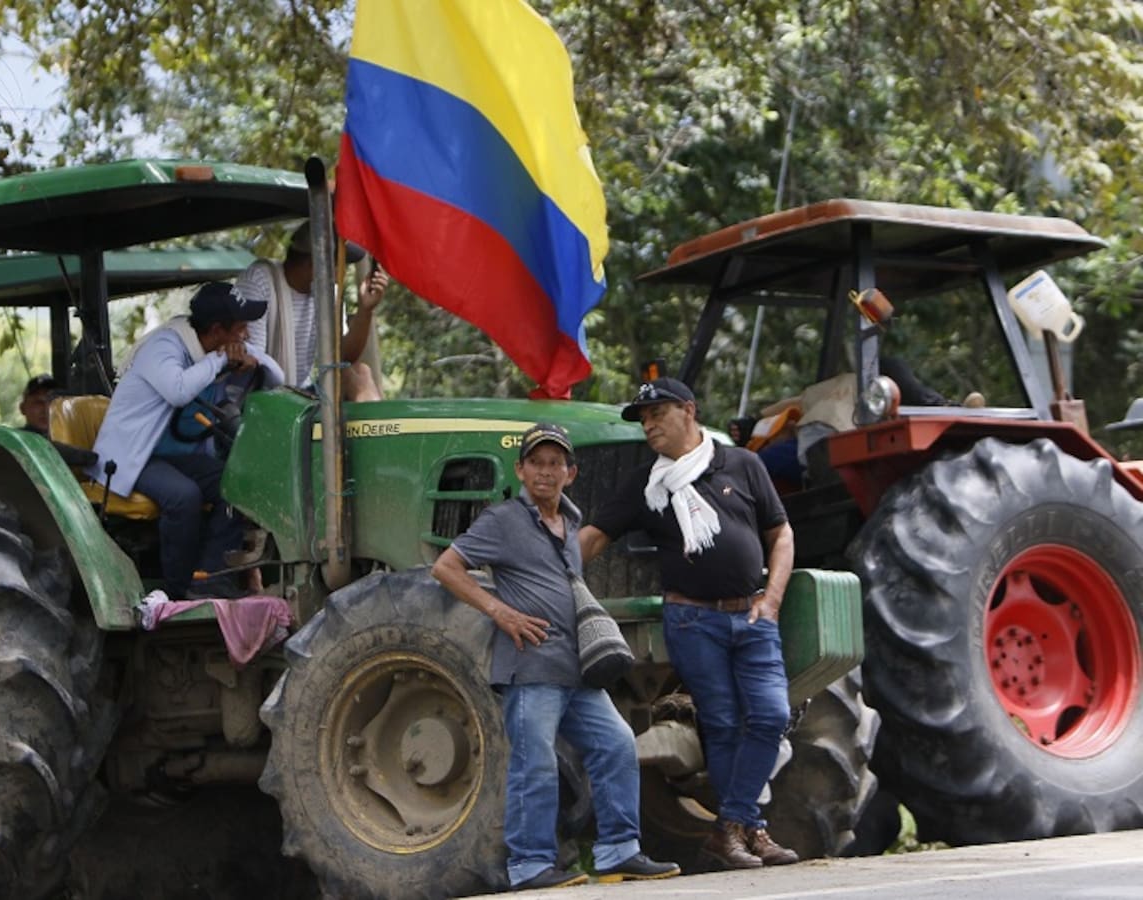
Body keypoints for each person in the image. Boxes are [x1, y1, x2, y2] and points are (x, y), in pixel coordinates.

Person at [432, 423, 680, 891]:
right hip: (531, 667)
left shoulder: (570, 521)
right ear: (520, 470)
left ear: (571, 472)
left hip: (578, 669)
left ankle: (618, 853)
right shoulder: (503, 519)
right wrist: (499, 611)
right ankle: (530, 866)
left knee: (617, 745)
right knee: (535, 762)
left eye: (555, 464)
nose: (546, 473)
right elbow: (445, 567)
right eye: (537, 463)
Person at [579, 377, 800, 870]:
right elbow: (594, 537)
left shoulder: (742, 464)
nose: (649, 425)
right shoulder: (646, 485)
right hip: (692, 621)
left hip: (753, 613)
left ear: (688, 410)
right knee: (720, 725)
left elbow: (780, 532)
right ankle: (749, 830)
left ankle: (731, 827)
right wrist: (544, 572)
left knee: (770, 715)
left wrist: (774, 599)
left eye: (657, 413)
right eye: (643, 419)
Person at [86, 282, 284, 600]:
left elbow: (278, 375)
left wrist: (251, 360)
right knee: (184, 496)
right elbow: (177, 390)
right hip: (130, 456)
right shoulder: (164, 345)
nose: (246, 336)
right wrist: (221, 361)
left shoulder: (210, 348)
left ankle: (210, 578)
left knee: (235, 482)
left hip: (166, 456)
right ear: (218, 330)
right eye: (241, 329)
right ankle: (178, 590)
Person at [233, 220, 387, 399]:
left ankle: (375, 427)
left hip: (300, 394)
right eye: (338, 264)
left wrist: (365, 310)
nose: (342, 273)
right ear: (315, 264)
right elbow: (253, 361)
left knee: (361, 372)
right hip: (261, 398)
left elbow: (343, 357)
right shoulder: (261, 280)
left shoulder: (327, 293)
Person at [19, 373, 99, 468]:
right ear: (22, 408)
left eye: (52, 402)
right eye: (38, 403)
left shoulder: (80, 436)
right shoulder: (18, 441)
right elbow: (45, 448)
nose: (46, 408)